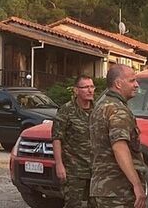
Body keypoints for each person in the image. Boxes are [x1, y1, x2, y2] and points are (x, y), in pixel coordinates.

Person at [90, 65, 146, 208]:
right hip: (118, 190)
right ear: (118, 84)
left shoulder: (101, 106)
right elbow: (119, 147)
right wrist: (137, 185)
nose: (136, 85)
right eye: (132, 81)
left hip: (101, 188)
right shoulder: (117, 109)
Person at [51, 75, 96, 208]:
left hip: (95, 169)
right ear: (76, 91)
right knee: (72, 204)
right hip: (74, 169)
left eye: (92, 86)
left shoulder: (98, 109)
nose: (90, 90)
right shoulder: (66, 110)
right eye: (85, 87)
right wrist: (59, 164)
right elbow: (57, 138)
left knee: (97, 204)